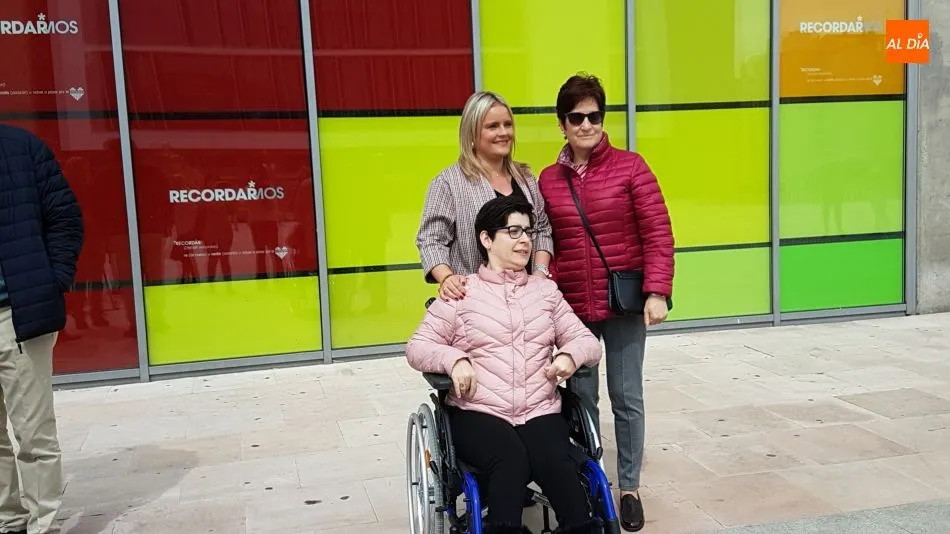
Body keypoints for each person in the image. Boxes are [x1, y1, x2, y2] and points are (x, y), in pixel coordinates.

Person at [406, 196, 603, 534]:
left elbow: (587, 341)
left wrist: (570, 355)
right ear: (486, 239)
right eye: (513, 231)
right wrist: (454, 360)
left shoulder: (546, 292)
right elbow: (417, 347)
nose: (524, 240)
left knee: (556, 461)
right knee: (509, 459)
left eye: (527, 232)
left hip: (539, 408)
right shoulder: (462, 293)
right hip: (478, 410)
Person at [537, 74, 675, 532]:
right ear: (562, 123)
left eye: (594, 116)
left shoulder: (631, 167)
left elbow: (658, 231)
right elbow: (545, 240)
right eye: (576, 117)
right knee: (580, 397)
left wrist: (657, 291)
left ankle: (629, 487)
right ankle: (589, 479)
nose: (586, 125)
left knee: (626, 395)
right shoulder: (548, 180)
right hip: (573, 306)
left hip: (622, 304)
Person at [0, 124, 84, 534]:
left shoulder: (21, 148)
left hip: (16, 316)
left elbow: (65, 218)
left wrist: (51, 282)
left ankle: (41, 525)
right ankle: (9, 521)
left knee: (33, 434)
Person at [416, 91, 554, 302]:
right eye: (493, 126)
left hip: (526, 301)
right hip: (475, 302)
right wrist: (447, 278)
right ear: (471, 133)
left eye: (508, 124)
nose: (503, 132)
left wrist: (539, 275)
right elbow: (431, 239)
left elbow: (542, 228)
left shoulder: (525, 178)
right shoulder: (448, 183)